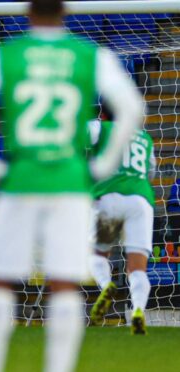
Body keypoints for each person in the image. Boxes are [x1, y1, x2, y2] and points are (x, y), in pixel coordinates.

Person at [0, 0, 144, 371]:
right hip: (71, 184)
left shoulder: (3, 54)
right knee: (64, 286)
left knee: (1, 285)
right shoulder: (92, 56)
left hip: (20, 180)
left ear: (28, 12)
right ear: (66, 11)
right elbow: (133, 108)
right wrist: (103, 164)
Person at [88, 113, 155, 335]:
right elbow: (150, 171)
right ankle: (138, 311)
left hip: (109, 198)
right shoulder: (145, 137)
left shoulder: (100, 128)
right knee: (137, 269)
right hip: (140, 201)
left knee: (98, 255)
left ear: (104, 113)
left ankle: (106, 285)